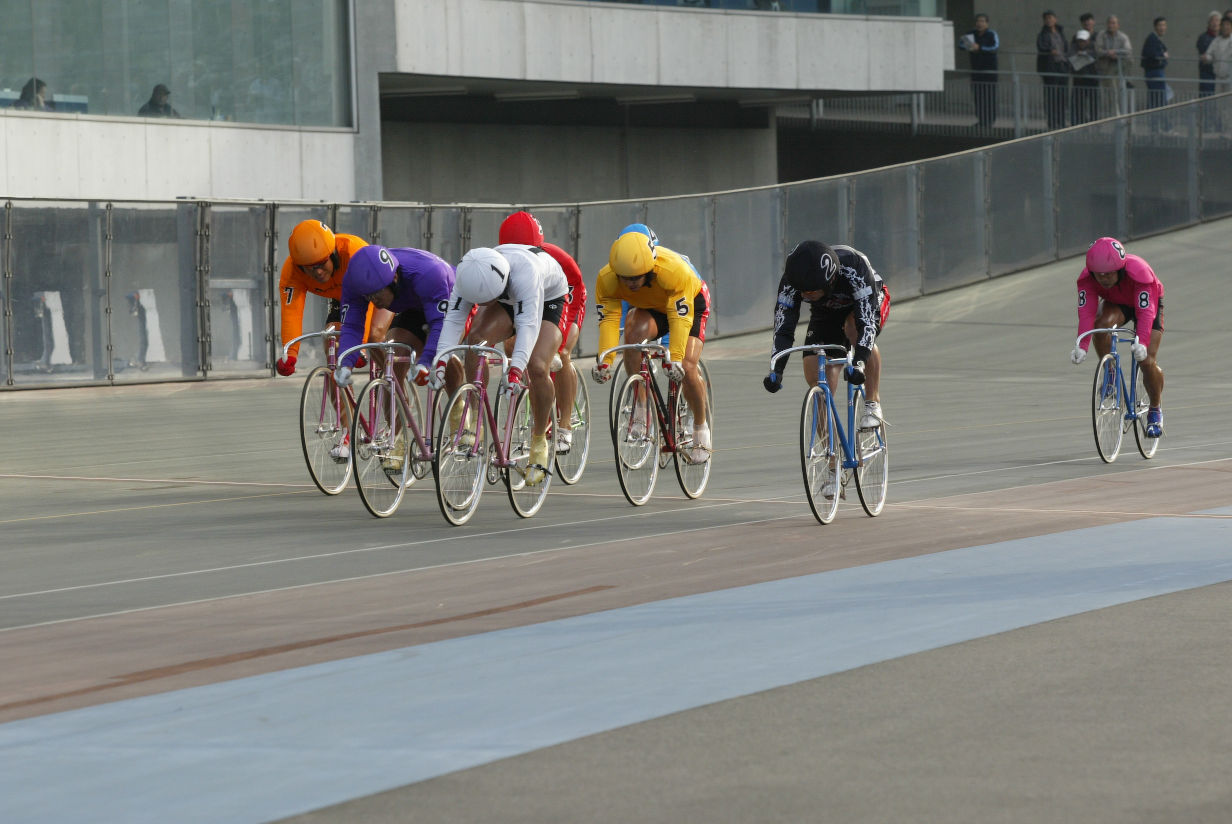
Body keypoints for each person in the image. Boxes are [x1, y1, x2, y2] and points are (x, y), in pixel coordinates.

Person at [433, 245, 569, 485]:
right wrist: (440, 362)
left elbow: (528, 326)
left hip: (547, 297)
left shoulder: (527, 274)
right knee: (476, 341)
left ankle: (539, 440)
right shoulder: (469, 275)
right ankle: (476, 418)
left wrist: (516, 370)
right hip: (504, 296)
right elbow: (454, 320)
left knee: (536, 365)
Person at [332, 244, 464, 465]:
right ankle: (398, 438)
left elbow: (441, 327)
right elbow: (353, 325)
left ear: (393, 279)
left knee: (443, 353)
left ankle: (460, 410)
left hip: (448, 297)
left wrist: (426, 362)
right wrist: (345, 362)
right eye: (368, 296)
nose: (373, 300)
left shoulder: (428, 273)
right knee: (392, 362)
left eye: (376, 294)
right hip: (412, 304)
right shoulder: (355, 282)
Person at [592, 227, 712, 463]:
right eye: (624, 278)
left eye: (636, 278)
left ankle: (700, 426)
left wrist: (675, 358)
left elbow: (679, 318)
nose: (630, 283)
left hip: (690, 305)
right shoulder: (606, 279)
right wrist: (604, 360)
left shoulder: (672, 271)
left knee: (687, 367)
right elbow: (609, 320)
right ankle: (641, 405)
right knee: (632, 334)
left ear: (649, 269)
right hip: (652, 308)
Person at [763, 242, 890, 462]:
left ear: (830, 280)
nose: (804, 294)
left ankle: (872, 403)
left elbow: (866, 323)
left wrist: (859, 362)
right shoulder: (793, 282)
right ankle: (833, 460)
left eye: (810, 291)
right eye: (802, 291)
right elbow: (783, 326)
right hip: (827, 310)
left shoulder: (853, 267)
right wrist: (777, 369)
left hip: (867, 299)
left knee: (854, 329)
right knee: (817, 376)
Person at [498, 211, 588, 454]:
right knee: (512, 346)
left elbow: (568, 300)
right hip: (529, 300)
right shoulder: (504, 258)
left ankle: (566, 424)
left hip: (565, 299)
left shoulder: (557, 259)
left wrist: (557, 344)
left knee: (562, 353)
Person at [1069, 237, 1165, 438]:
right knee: (1101, 324)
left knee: (1146, 361)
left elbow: (1146, 312)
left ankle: (1155, 410)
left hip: (1148, 305)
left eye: (1108, 274)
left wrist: (1142, 343)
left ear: (1120, 268)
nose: (1103, 279)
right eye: (1099, 275)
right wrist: (1082, 345)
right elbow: (1087, 312)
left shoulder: (1138, 272)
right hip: (1117, 303)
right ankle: (1110, 371)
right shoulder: (1087, 279)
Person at [960, 13, 999, 130]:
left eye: (982, 21)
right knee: (978, 96)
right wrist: (971, 46)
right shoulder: (970, 33)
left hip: (989, 70)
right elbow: (961, 45)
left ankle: (989, 121)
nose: (979, 23)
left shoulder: (991, 34)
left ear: (987, 23)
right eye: (978, 21)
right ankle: (981, 120)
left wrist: (980, 48)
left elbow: (995, 47)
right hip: (976, 70)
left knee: (989, 96)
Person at [1037, 10, 1070, 129]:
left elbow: (1066, 47)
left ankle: (1061, 121)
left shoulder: (1060, 32)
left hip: (1062, 65)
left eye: (1051, 18)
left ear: (1055, 19)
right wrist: (1050, 51)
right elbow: (1041, 47)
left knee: (1062, 95)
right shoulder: (1042, 34)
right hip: (1050, 67)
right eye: (1046, 18)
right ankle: (1051, 122)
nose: (1049, 20)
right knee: (1051, 96)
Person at [1094, 15, 1133, 116]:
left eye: (1113, 23)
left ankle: (1120, 112)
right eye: (1109, 23)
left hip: (1120, 67)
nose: (1111, 25)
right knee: (1109, 92)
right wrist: (1108, 53)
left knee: (1120, 90)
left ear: (1118, 25)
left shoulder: (1123, 37)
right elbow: (1098, 50)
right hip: (1105, 68)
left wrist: (1116, 53)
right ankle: (1113, 113)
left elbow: (1128, 50)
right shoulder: (1102, 35)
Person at [1070, 13, 1100, 125]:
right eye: (1085, 21)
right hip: (1080, 74)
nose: (1087, 23)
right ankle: (1078, 124)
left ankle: (1094, 125)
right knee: (1078, 102)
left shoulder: (1098, 36)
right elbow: (1071, 51)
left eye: (1089, 21)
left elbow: (1099, 52)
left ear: (1093, 22)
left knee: (1094, 102)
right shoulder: (1077, 36)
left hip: (1093, 74)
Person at [1141, 17, 1169, 114]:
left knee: (1156, 99)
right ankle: (1162, 126)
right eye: (1160, 25)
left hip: (1156, 71)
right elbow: (1152, 54)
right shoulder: (1152, 39)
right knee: (1159, 100)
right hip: (1154, 72)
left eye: (1164, 25)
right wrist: (1163, 56)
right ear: (1155, 27)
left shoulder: (1157, 39)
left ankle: (1156, 126)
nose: (1162, 28)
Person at [1205, 17, 1232, 96]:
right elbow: (1209, 54)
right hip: (1219, 77)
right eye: (1223, 25)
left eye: (1228, 25)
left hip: (1230, 77)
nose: (1225, 27)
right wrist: (1206, 57)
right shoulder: (1216, 41)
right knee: (1219, 101)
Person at [1198, 11, 1222, 97]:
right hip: (1207, 72)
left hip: (1221, 73)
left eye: (1217, 20)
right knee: (1207, 98)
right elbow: (1205, 54)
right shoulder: (1203, 38)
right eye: (1213, 20)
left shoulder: (1223, 38)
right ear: (1209, 23)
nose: (1215, 23)